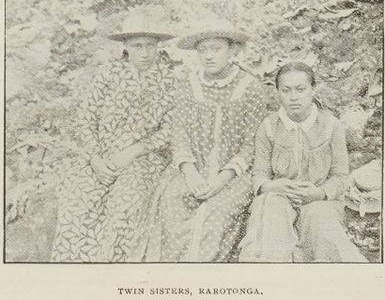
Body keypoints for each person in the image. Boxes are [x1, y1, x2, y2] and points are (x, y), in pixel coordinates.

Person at [51, 12, 176, 262]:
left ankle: (114, 276)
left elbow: (172, 128)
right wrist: (95, 158)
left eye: (150, 45)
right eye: (137, 46)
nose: (144, 53)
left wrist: (136, 150)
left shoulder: (170, 80)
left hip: (144, 160)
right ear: (125, 46)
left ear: (158, 46)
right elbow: (86, 118)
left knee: (125, 207)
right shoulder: (108, 74)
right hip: (101, 159)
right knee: (78, 202)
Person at [144, 21, 266, 262]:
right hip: (192, 169)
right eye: (203, 50)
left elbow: (252, 143)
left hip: (233, 175)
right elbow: (178, 134)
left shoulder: (250, 87)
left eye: (216, 49)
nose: (209, 56)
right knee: (172, 202)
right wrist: (190, 173)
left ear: (233, 51)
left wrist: (222, 178)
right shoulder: (188, 85)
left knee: (216, 213)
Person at [239, 61, 367, 262]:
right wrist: (273, 186)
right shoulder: (269, 127)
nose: (293, 97)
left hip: (318, 199)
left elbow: (340, 176)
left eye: (300, 89)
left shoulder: (331, 126)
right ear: (278, 92)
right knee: (270, 209)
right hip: (280, 196)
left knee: (323, 227)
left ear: (313, 89)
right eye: (286, 90)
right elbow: (260, 173)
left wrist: (319, 192)